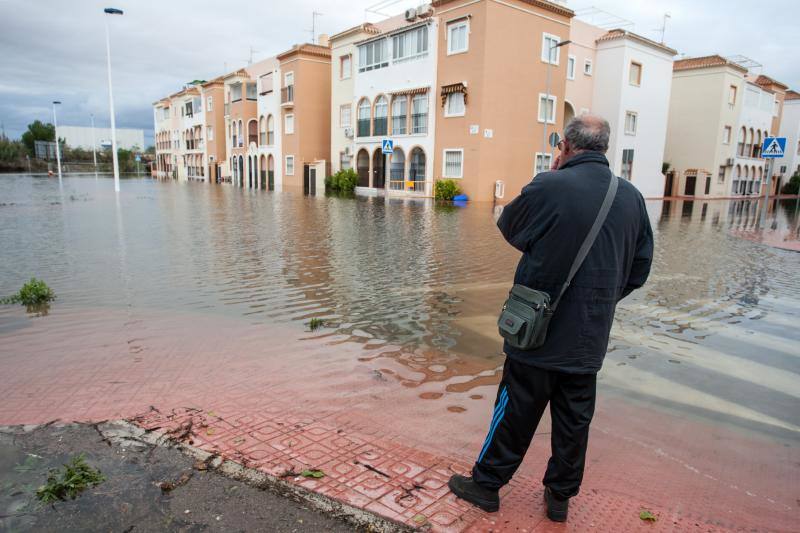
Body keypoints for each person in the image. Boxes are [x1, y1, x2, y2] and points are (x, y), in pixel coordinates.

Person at [448, 114, 654, 522]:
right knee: (575, 420)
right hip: (589, 337)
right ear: (605, 147)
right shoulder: (631, 198)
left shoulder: (550, 183)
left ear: (564, 145)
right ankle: (559, 498)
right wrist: (599, 302)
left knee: (515, 410)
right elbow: (639, 270)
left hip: (536, 331)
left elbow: (510, 228)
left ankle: (486, 485)